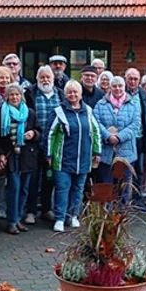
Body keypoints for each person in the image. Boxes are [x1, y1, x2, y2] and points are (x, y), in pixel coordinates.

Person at [48, 80, 101, 232]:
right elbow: (50, 134)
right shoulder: (58, 111)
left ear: (80, 94)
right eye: (69, 92)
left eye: (75, 92)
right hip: (63, 159)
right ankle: (59, 218)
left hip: (83, 158)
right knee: (62, 188)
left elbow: (95, 132)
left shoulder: (88, 111)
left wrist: (97, 152)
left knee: (78, 189)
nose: (72, 95)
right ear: (65, 94)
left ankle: (74, 216)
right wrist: (49, 154)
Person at [0, 84, 40, 234]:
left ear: (22, 96)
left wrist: (33, 134)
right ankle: (11, 221)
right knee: (14, 187)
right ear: (6, 96)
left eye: (17, 95)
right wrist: (0, 154)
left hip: (27, 155)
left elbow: (40, 131)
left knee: (24, 189)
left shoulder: (30, 113)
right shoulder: (1, 112)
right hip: (10, 154)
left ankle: (18, 218)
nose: (14, 97)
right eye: (11, 95)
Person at [93, 75, 142, 200]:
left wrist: (119, 137)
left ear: (124, 87)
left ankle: (122, 215)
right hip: (106, 152)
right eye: (114, 86)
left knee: (123, 187)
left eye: (120, 86)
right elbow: (95, 123)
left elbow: (135, 125)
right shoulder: (100, 104)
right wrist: (108, 136)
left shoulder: (133, 105)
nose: (117, 89)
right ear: (110, 87)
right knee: (106, 186)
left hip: (126, 153)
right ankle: (107, 215)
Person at [24, 65, 62, 223]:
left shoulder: (60, 95)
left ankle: (46, 209)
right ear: (37, 79)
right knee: (32, 179)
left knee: (49, 178)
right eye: (42, 77)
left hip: (53, 144)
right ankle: (30, 211)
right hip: (34, 143)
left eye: (48, 77)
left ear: (53, 79)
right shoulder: (30, 94)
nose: (45, 80)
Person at [124, 67, 146, 205]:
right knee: (124, 170)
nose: (133, 81)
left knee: (139, 170)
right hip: (125, 139)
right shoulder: (121, 92)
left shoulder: (142, 94)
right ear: (126, 79)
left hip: (140, 137)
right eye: (130, 78)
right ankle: (122, 200)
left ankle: (138, 200)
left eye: (135, 79)